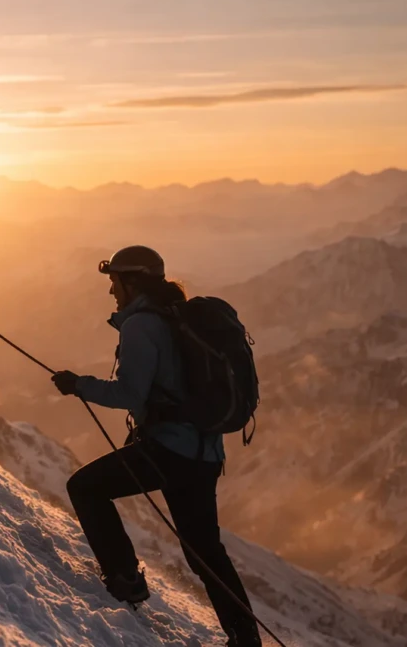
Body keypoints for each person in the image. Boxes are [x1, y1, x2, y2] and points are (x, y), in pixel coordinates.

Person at [51, 245, 261, 646]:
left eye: (114, 281)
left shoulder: (141, 325)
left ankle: (125, 579)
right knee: (205, 552)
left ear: (132, 282)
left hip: (169, 450)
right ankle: (245, 634)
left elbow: (130, 394)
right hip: (204, 454)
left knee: (86, 487)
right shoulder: (173, 316)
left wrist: (78, 385)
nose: (111, 291)